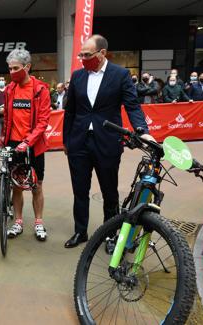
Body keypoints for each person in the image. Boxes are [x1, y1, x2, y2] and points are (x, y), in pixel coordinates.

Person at [62, 35, 154, 249]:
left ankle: (110, 234)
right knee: (80, 190)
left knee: (109, 192)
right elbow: (70, 111)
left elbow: (132, 106)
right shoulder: (77, 77)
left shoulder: (120, 75)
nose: (83, 58)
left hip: (107, 142)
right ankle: (80, 231)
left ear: (102, 53)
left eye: (87, 55)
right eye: (81, 55)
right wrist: (66, 140)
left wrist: (142, 131)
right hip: (79, 142)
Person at [0, 49, 51, 240]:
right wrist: (4, 138)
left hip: (34, 145)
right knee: (16, 186)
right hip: (13, 144)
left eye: (16, 68)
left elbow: (43, 121)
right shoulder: (10, 89)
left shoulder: (41, 90)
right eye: (10, 68)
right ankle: (18, 222)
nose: (12, 72)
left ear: (27, 67)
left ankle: (38, 222)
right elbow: (7, 118)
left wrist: (27, 141)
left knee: (36, 185)